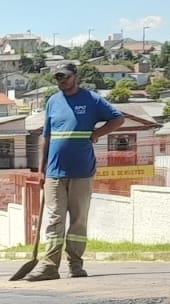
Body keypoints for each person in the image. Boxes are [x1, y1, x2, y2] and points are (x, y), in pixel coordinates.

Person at [28, 61, 124, 282]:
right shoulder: (53, 101)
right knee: (54, 219)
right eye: (58, 78)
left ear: (75, 76)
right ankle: (50, 265)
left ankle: (75, 264)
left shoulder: (91, 100)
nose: (62, 81)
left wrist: (97, 133)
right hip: (54, 173)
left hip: (82, 171)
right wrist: (41, 170)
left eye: (66, 77)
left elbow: (118, 119)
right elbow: (47, 137)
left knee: (78, 220)